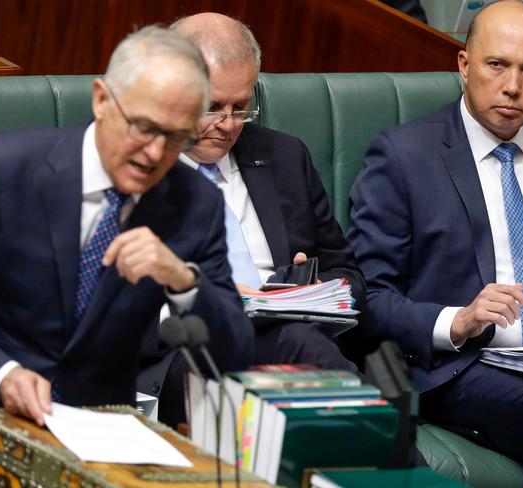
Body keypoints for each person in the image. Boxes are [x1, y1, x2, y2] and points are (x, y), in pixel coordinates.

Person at [0, 25, 254, 458]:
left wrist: (182, 280)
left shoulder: (194, 204)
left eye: (175, 137)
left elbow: (234, 353)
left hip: (99, 441)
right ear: (101, 99)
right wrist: (2, 373)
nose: (154, 153)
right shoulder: (2, 169)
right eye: (143, 127)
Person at [348, 1, 523, 486]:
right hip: (465, 368)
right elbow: (371, 298)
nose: (513, 86)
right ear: (464, 66)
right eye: (497, 64)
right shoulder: (404, 155)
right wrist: (459, 320)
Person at [137, 13, 363, 424]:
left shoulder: (285, 157)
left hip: (291, 340)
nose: (227, 125)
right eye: (211, 108)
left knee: (298, 344)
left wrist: (313, 293)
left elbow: (346, 271)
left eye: (240, 107)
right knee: (294, 353)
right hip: (178, 359)